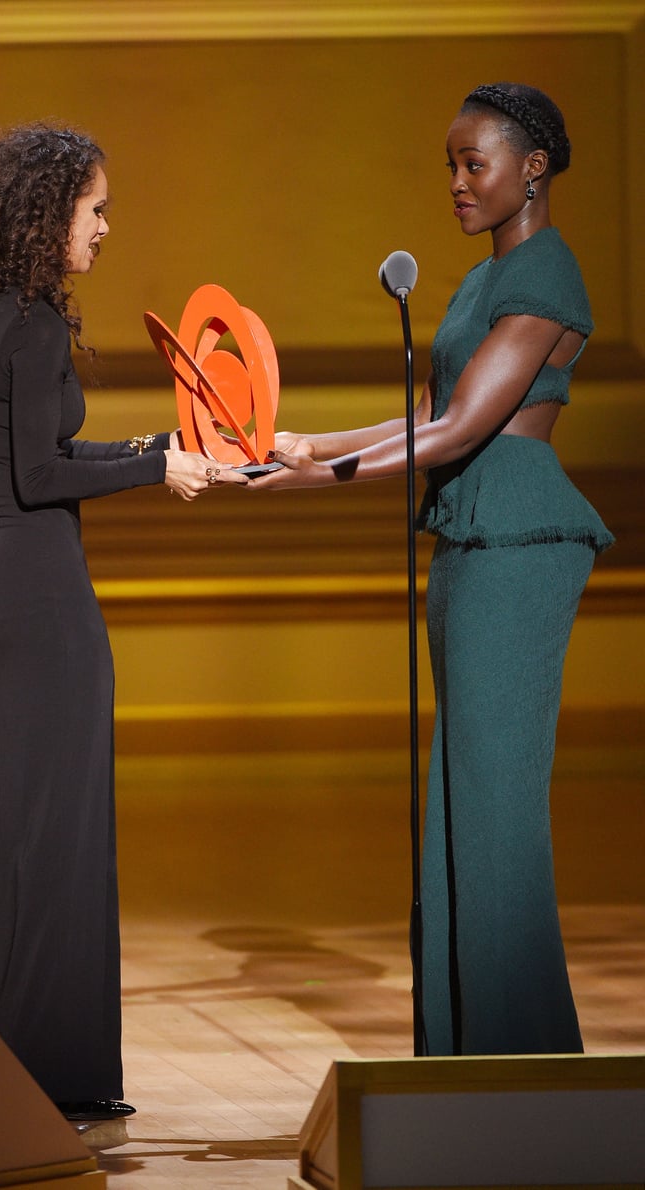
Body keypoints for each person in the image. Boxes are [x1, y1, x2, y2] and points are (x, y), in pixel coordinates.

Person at [249, 83, 613, 1055]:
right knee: (461, 797)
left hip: (519, 548)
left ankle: (523, 1061)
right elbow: (421, 421)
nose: (455, 182)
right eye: (448, 165)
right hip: (466, 545)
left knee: (495, 806)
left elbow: (459, 426)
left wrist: (324, 466)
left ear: (531, 169)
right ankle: (465, 1055)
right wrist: (302, 456)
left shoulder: (549, 275)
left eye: (473, 163)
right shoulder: (467, 287)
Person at [0, 123, 247, 1119]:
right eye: (97, 207)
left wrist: (160, 444)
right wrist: (157, 466)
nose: (107, 226)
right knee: (59, 839)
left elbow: (37, 459)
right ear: (48, 210)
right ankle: (46, 1076)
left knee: (30, 840)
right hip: (40, 595)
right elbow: (39, 475)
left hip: (7, 579)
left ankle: (18, 1068)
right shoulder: (28, 322)